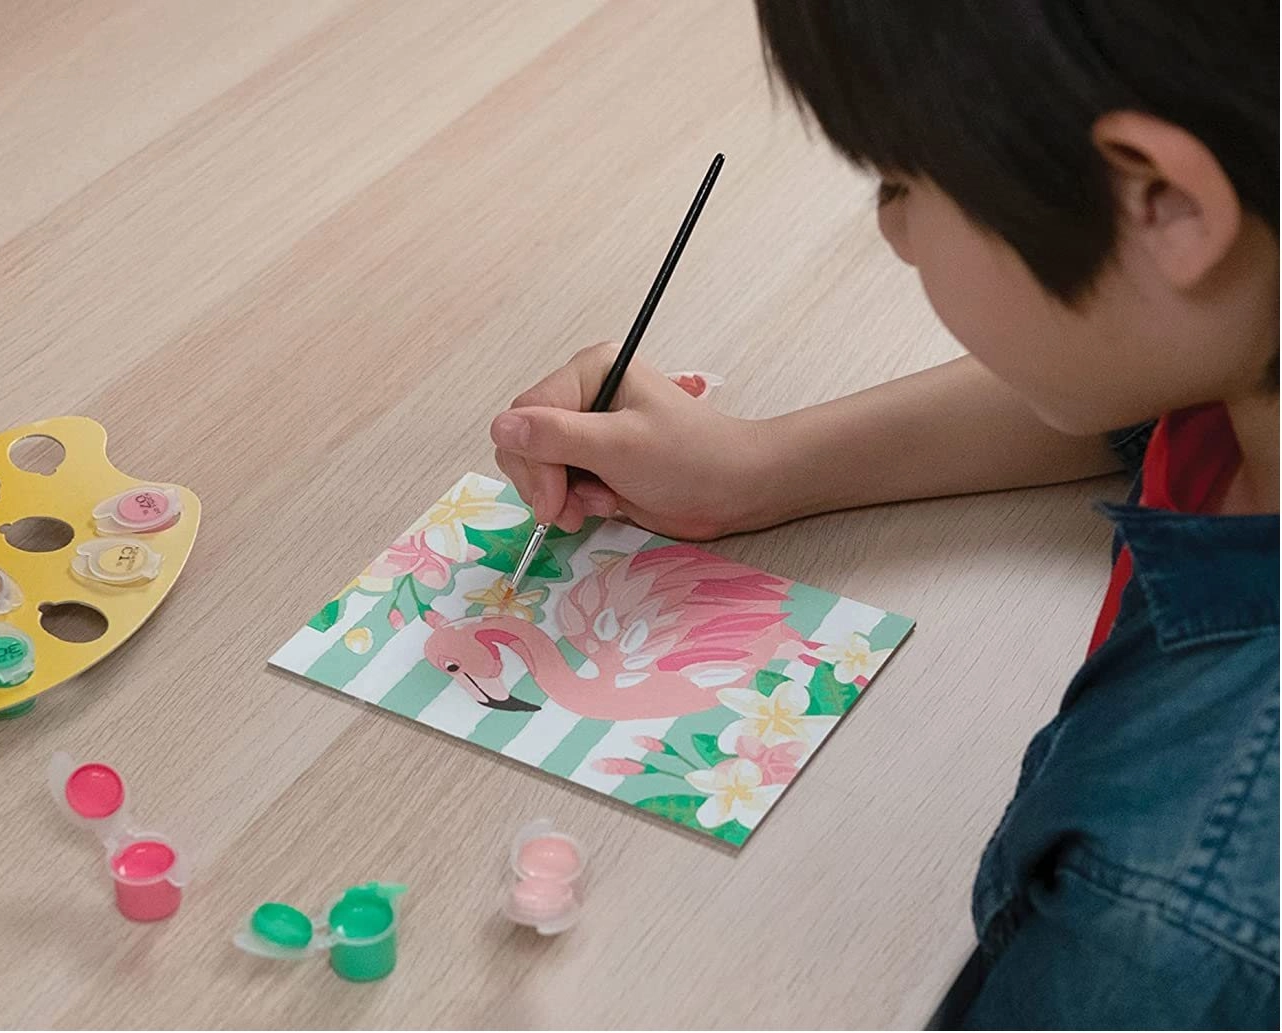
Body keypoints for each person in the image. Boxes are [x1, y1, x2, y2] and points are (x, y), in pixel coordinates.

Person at [488, 1, 1279, 1026]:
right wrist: (758, 467)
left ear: (1164, 201)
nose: (890, 229)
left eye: (902, 181)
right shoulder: (1240, 348)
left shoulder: (1159, 926)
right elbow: (1134, 380)